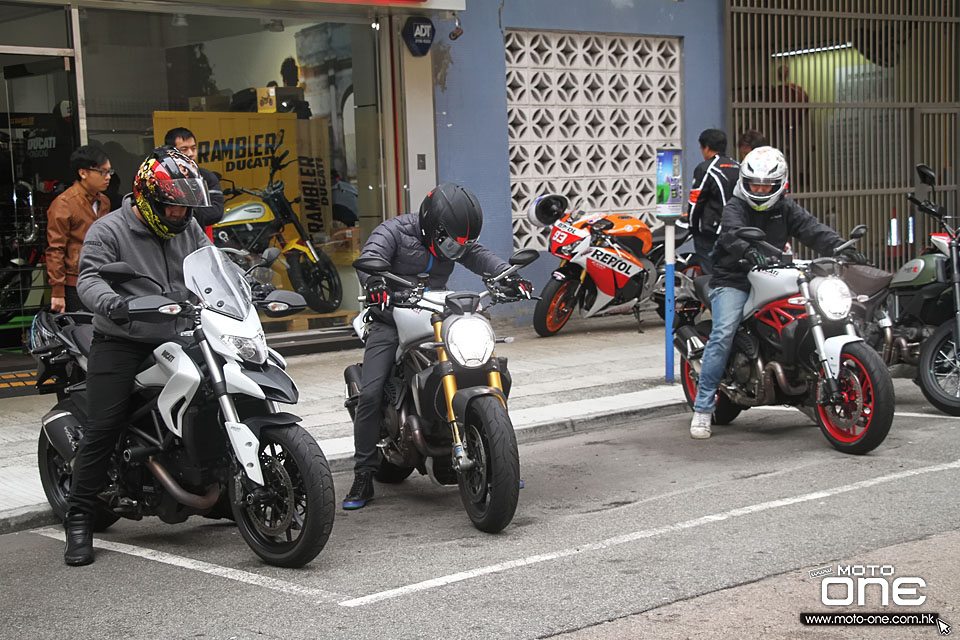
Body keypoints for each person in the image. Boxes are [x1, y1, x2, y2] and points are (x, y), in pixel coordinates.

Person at [62, 147, 212, 566]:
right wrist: (113, 304)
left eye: (186, 208)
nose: (181, 215)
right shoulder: (109, 230)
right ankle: (79, 516)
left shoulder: (187, 226)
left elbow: (210, 266)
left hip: (179, 333)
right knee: (104, 423)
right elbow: (89, 278)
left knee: (213, 397)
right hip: (123, 337)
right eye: (173, 207)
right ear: (147, 198)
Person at [343, 183, 531, 510]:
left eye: (462, 244)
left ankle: (497, 458)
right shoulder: (394, 231)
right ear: (432, 227)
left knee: (488, 367)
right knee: (371, 393)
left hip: (437, 313)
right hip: (390, 316)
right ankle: (363, 473)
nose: (455, 251)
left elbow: (481, 256)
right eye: (451, 243)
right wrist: (375, 285)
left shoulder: (454, 243)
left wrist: (508, 276)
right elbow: (370, 258)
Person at [689, 147, 864, 439]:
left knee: (805, 317)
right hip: (734, 278)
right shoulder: (736, 206)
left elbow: (812, 229)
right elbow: (731, 233)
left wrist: (840, 247)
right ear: (744, 182)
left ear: (780, 184)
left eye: (765, 185)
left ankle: (806, 391)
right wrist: (748, 251)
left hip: (772, 272)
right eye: (754, 184)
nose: (758, 190)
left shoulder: (786, 208)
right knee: (723, 333)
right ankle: (703, 408)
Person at [45, 145, 113, 312]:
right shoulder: (64, 203)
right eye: (102, 172)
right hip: (74, 282)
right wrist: (58, 291)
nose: (108, 177)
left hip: (102, 279)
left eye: (110, 172)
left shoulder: (104, 201)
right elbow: (55, 249)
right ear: (83, 173)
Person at [688, 129, 740, 275]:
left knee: (710, 272)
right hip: (736, 230)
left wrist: (692, 226)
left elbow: (696, 201)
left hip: (712, 231)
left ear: (707, 147)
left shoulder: (706, 168)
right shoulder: (738, 167)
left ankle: (711, 296)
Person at [163, 127, 225, 232]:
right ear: (171, 152)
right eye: (184, 149)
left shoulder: (206, 177)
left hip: (197, 239)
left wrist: (183, 212)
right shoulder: (162, 177)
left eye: (193, 148)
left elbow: (216, 212)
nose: (191, 153)